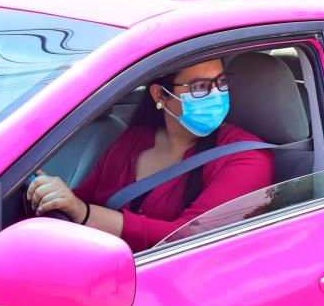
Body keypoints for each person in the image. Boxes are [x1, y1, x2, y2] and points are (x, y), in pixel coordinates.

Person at [27, 58, 274, 252]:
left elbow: (189, 239)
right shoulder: (133, 141)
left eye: (221, 82)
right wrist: (43, 194)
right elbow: (78, 200)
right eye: (200, 87)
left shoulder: (247, 157)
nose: (216, 94)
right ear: (160, 96)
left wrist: (85, 213)